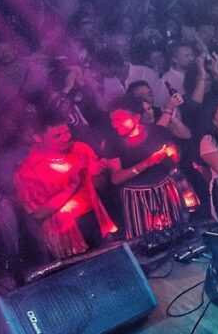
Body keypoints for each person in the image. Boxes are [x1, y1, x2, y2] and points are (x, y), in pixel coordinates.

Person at [14, 111, 117, 259]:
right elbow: (38, 213)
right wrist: (73, 184)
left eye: (67, 132)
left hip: (95, 219)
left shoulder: (81, 149)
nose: (66, 138)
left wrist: (96, 174)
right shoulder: (26, 170)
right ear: (38, 138)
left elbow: (102, 187)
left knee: (111, 263)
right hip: (64, 233)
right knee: (79, 275)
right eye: (57, 136)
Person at [100, 96, 185, 238]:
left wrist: (172, 155)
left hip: (164, 191)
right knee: (144, 239)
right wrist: (148, 162)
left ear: (136, 117)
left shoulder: (158, 132)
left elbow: (174, 158)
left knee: (175, 233)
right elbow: (116, 178)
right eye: (112, 120)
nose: (115, 125)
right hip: (136, 198)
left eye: (119, 120)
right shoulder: (112, 143)